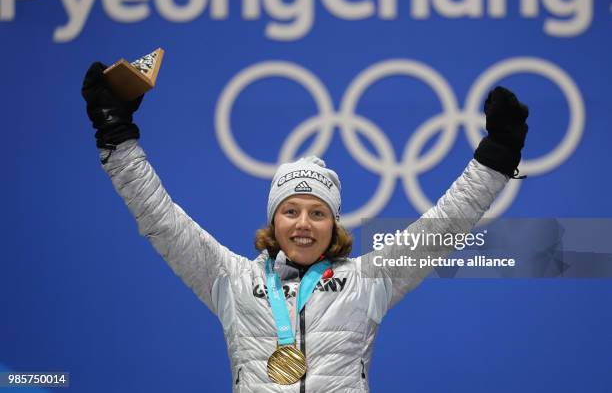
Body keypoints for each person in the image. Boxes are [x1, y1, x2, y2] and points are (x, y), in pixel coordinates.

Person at [81, 62, 528, 392]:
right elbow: (160, 219)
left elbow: (439, 231)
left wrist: (495, 159)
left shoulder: (366, 282)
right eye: (290, 211)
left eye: (318, 213)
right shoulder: (230, 280)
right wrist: (115, 137)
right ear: (273, 222)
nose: (303, 224)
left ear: (334, 227)